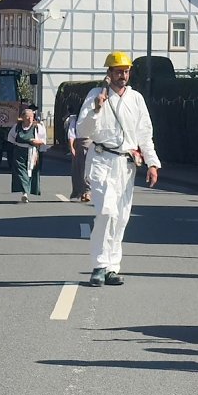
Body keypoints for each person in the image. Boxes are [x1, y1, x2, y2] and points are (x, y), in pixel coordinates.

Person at [76, 51, 161, 288]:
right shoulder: (95, 95)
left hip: (126, 163)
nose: (122, 75)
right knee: (106, 212)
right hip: (102, 160)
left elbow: (145, 134)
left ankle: (113, 267)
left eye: (125, 71)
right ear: (109, 73)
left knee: (122, 217)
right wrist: (96, 109)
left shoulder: (136, 99)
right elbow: (83, 131)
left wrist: (153, 162)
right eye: (118, 71)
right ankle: (99, 265)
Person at [6, 108, 47, 203]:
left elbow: (43, 141)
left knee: (30, 172)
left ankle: (27, 191)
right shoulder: (16, 127)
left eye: (31, 117)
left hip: (32, 153)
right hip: (19, 153)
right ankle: (24, 193)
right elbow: (11, 138)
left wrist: (36, 142)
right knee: (21, 173)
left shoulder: (38, 127)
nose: (29, 119)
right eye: (27, 117)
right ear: (23, 117)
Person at [66, 106, 91, 202]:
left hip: (93, 145)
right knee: (79, 170)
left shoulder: (94, 117)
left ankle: (87, 191)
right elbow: (71, 134)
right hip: (80, 145)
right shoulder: (75, 120)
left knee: (88, 170)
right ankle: (81, 192)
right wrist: (72, 147)